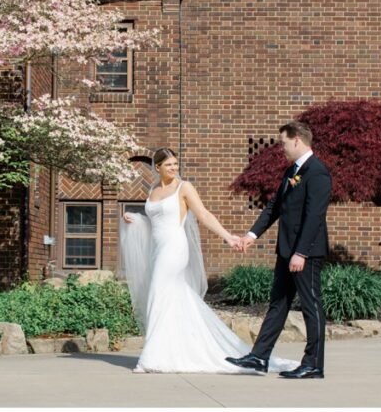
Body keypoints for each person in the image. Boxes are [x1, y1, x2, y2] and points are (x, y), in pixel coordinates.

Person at [120, 147, 299, 374]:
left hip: (174, 249)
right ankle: (173, 351)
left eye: (176, 164)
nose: (174, 168)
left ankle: (150, 357)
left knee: (157, 293)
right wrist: (135, 219)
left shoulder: (184, 188)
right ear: (157, 168)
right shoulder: (153, 189)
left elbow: (203, 214)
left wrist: (228, 237)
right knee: (172, 298)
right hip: (158, 249)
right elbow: (154, 222)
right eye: (168, 165)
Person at [226, 121, 332, 380]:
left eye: (284, 142)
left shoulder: (317, 172)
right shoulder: (291, 171)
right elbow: (275, 206)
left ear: (297, 140)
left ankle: (313, 364)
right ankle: (260, 356)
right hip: (286, 250)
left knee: (311, 305)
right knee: (278, 303)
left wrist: (302, 253)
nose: (282, 147)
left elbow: (314, 216)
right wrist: (251, 235)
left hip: (304, 253)